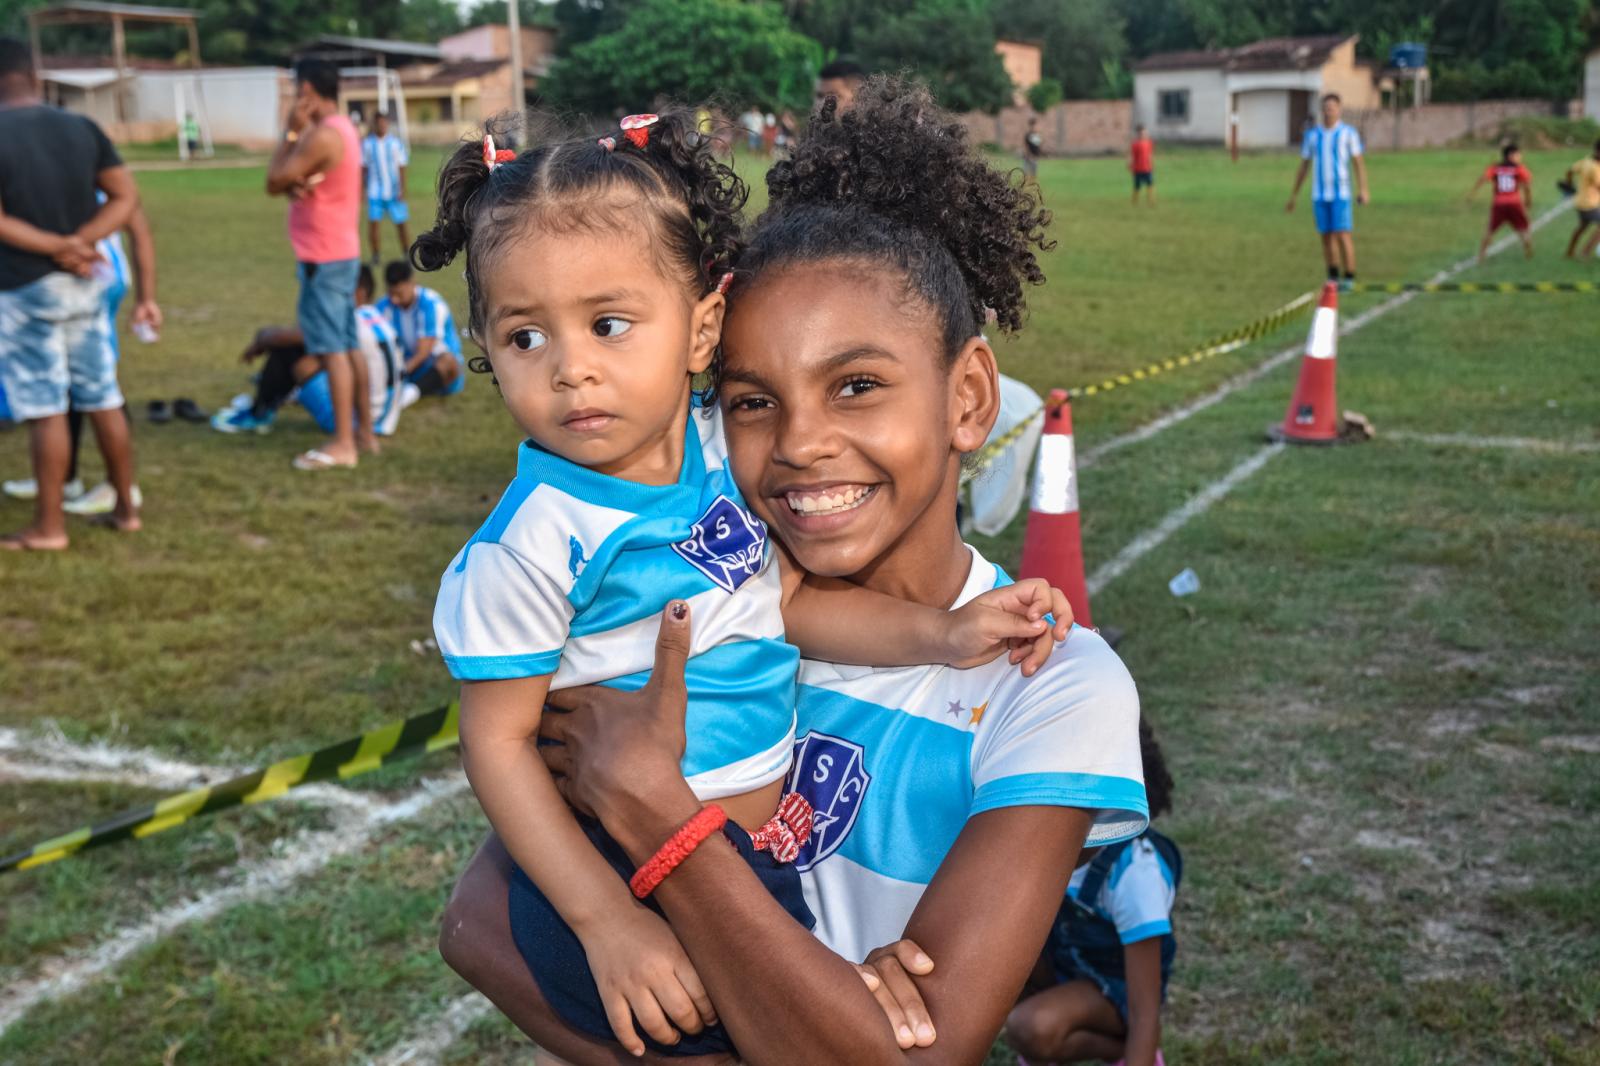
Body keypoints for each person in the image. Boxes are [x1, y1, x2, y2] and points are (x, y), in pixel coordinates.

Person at [436, 79, 1148, 1066]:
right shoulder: (700, 582)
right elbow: (477, 917)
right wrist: (812, 1002)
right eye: (751, 400)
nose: (802, 443)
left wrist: (654, 812)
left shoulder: (1053, 686)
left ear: (970, 396)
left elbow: (910, 1055)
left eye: (855, 386)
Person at [0, 36, 140, 550]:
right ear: (33, 75)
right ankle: (126, 509)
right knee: (103, 396)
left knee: (46, 408)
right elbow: (126, 196)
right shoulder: (81, 127)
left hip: (25, 286)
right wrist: (83, 241)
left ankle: (49, 526)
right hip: (85, 283)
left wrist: (56, 244)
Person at [1006, 719, 1180, 1066]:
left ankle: (1114, 1050)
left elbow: (1144, 1011)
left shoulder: (1134, 874)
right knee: (994, 968)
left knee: (1031, 1027)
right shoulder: (1045, 846)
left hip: (1118, 990)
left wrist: (1140, 1052)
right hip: (1065, 968)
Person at [2, 196, 158, 516]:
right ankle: (64, 477)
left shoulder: (94, 168)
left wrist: (147, 296)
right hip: (72, 273)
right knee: (69, 379)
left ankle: (120, 487)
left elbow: (137, 226)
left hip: (92, 277)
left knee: (98, 384)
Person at [265, 57, 375, 471]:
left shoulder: (322, 135)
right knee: (347, 345)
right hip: (341, 251)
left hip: (322, 258)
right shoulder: (345, 130)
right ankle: (363, 433)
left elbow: (273, 180)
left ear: (308, 91)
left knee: (333, 351)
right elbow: (300, 179)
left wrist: (290, 131)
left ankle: (344, 444)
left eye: (298, 89)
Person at [212, 264, 405, 437]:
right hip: (385, 420)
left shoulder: (346, 322)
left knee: (288, 352)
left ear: (359, 292)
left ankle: (258, 415)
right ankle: (267, 406)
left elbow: (277, 337)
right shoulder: (378, 319)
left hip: (357, 423)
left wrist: (260, 341)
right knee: (314, 353)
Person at [1286, 93, 1369, 289]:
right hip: (1320, 194)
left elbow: (1358, 163)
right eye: (1325, 107)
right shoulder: (1313, 135)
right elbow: (1304, 165)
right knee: (1326, 236)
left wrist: (1363, 189)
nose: (1328, 111)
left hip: (1341, 193)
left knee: (1342, 234)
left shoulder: (1349, 133)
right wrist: (1294, 195)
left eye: (1332, 107)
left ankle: (1349, 277)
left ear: (1339, 109)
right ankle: (1332, 276)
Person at [376, 259, 464, 397]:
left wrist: (399, 374)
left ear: (412, 283)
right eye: (391, 293)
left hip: (433, 367)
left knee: (448, 361)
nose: (394, 300)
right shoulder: (383, 306)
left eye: (399, 294)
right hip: (405, 365)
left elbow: (423, 353)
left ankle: (409, 395)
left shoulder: (431, 305)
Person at [1467, 143, 1533, 263]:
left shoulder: (1495, 168)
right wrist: (1528, 200)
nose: (1520, 157)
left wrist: (1472, 193)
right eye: (1518, 154)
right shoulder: (1519, 168)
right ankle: (1528, 250)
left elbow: (1483, 179)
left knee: (1490, 230)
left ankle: (1481, 255)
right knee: (1523, 227)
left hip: (1499, 203)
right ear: (1511, 155)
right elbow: (1527, 186)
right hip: (1514, 203)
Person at [361, 111, 410, 266]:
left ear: (387, 124)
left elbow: (402, 166)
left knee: (401, 224)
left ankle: (406, 253)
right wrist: (363, 189)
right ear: (374, 124)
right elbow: (364, 168)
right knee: (374, 224)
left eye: (384, 122)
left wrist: (402, 188)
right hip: (375, 192)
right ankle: (375, 256)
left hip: (394, 192)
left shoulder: (395, 143)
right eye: (379, 122)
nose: (382, 125)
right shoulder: (367, 144)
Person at [1562, 139, 1600, 259]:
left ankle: (1570, 252)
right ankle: (1585, 253)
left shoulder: (1585, 161)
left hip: (1580, 202)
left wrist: (1569, 183)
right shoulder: (1594, 168)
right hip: (1588, 204)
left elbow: (1569, 171)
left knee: (1582, 227)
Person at [1130, 124, 1155, 206]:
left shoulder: (1149, 143)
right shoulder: (1135, 144)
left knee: (1150, 183)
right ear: (1138, 134)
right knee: (1137, 185)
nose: (1143, 135)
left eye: (1145, 133)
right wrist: (1130, 165)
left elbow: (1150, 155)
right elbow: (1132, 156)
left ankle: (1150, 200)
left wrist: (1151, 164)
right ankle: (1135, 200)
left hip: (1147, 168)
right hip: (1138, 168)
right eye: (1141, 133)